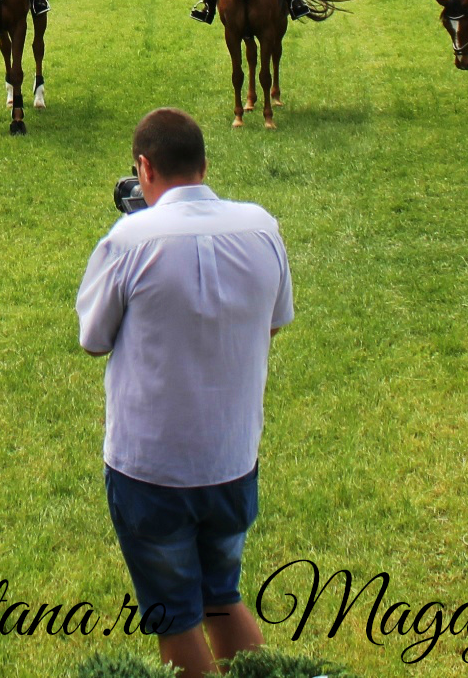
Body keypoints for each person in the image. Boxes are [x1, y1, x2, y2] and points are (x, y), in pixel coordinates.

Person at [78, 109, 292, 678]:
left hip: (153, 468)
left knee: (174, 618)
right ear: (204, 164)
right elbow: (273, 321)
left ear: (143, 167)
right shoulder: (262, 226)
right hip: (233, 456)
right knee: (223, 596)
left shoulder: (128, 239)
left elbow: (93, 339)